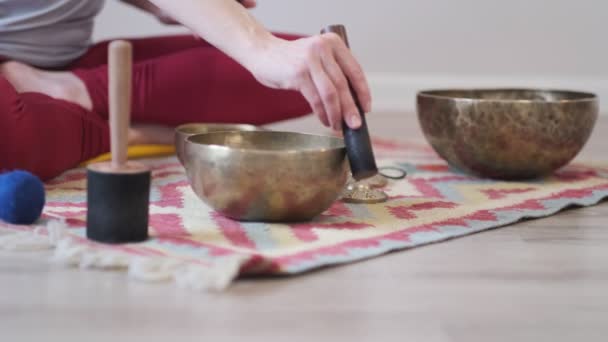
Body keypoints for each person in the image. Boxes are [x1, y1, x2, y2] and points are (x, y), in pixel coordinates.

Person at [0, 0, 372, 180]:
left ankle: (76, 95)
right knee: (13, 140)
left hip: (63, 62)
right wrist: (257, 47)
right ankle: (125, 131)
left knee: (314, 68)